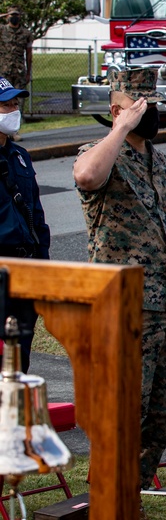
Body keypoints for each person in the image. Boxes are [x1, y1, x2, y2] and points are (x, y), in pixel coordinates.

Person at [72, 67, 166, 520]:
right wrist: (118, 128)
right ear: (118, 109)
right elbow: (86, 176)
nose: (150, 111)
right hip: (123, 308)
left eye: (154, 102)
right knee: (122, 414)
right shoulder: (100, 155)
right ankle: (111, 513)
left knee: (158, 415)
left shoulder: (158, 162)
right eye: (140, 103)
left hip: (165, 303)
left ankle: (131, 506)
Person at [0, 77, 47, 372]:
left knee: (21, 359)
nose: (14, 110)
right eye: (6, 104)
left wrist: (44, 266)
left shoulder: (19, 156)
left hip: (26, 269)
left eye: (16, 103)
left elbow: (37, 216)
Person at [0, 8, 32, 91]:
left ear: (20, 16)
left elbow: (29, 54)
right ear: (7, 16)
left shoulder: (26, 33)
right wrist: (2, 16)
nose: (14, 17)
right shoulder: (2, 30)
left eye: (16, 15)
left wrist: (28, 73)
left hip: (19, 72)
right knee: (5, 98)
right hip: (4, 71)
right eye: (12, 15)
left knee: (19, 99)